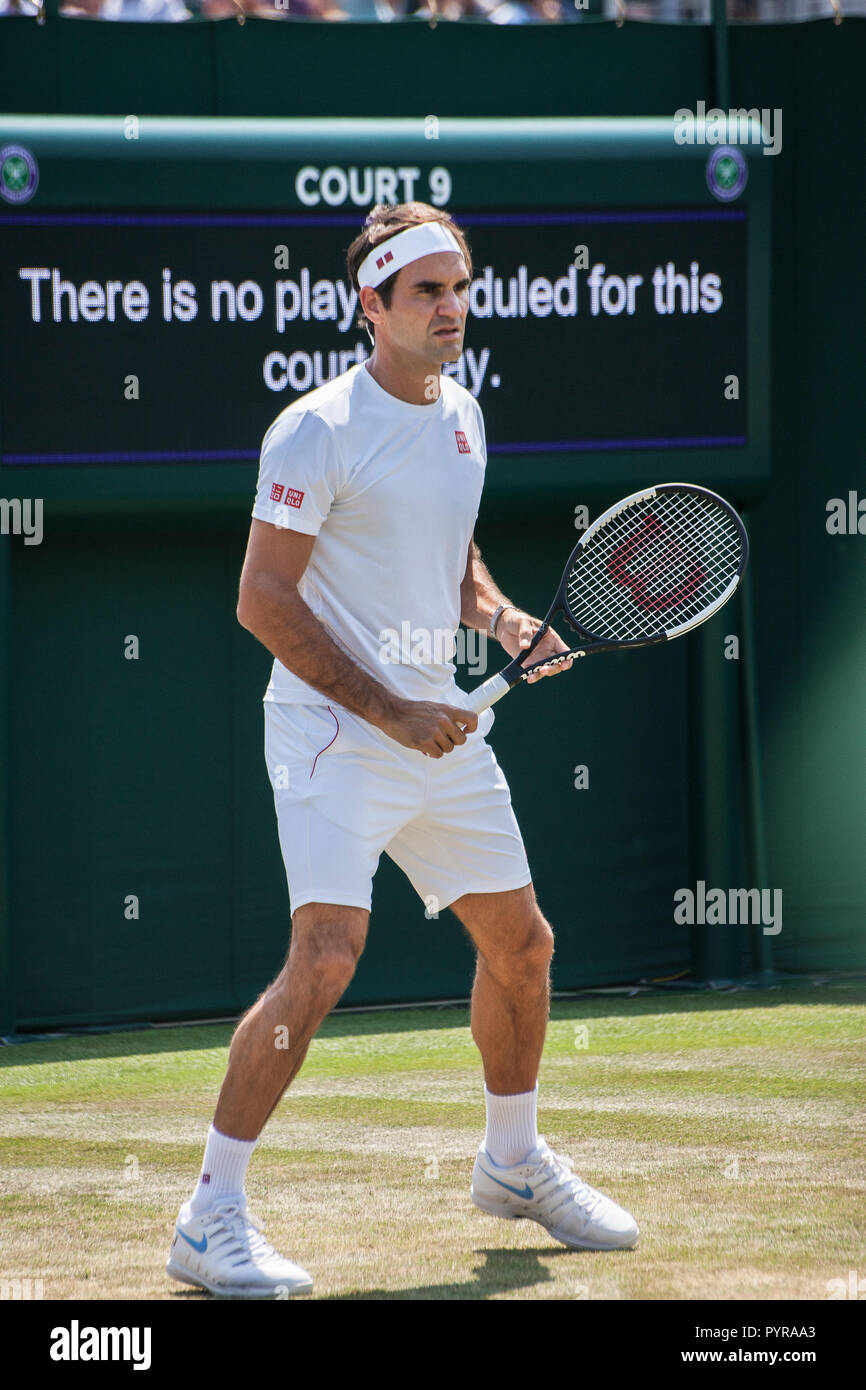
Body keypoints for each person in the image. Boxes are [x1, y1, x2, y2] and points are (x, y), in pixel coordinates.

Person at [166, 202, 639, 1298]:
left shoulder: (463, 415)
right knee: (327, 953)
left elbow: (453, 560)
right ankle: (208, 1213)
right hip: (336, 730)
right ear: (368, 305)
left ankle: (511, 1164)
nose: (449, 307)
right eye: (424, 290)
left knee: (521, 944)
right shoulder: (315, 429)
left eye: (459, 286)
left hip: (438, 726)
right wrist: (390, 711)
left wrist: (507, 621)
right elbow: (262, 600)